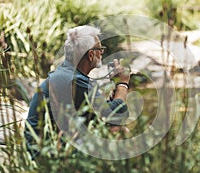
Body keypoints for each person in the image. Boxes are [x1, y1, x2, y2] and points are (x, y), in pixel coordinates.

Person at [24, 25, 130, 157]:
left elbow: (99, 115)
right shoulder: (74, 81)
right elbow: (116, 117)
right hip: (44, 155)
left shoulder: (69, 74)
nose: (102, 52)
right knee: (119, 132)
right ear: (91, 55)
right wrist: (123, 82)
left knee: (114, 131)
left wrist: (113, 88)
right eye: (100, 49)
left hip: (49, 145)